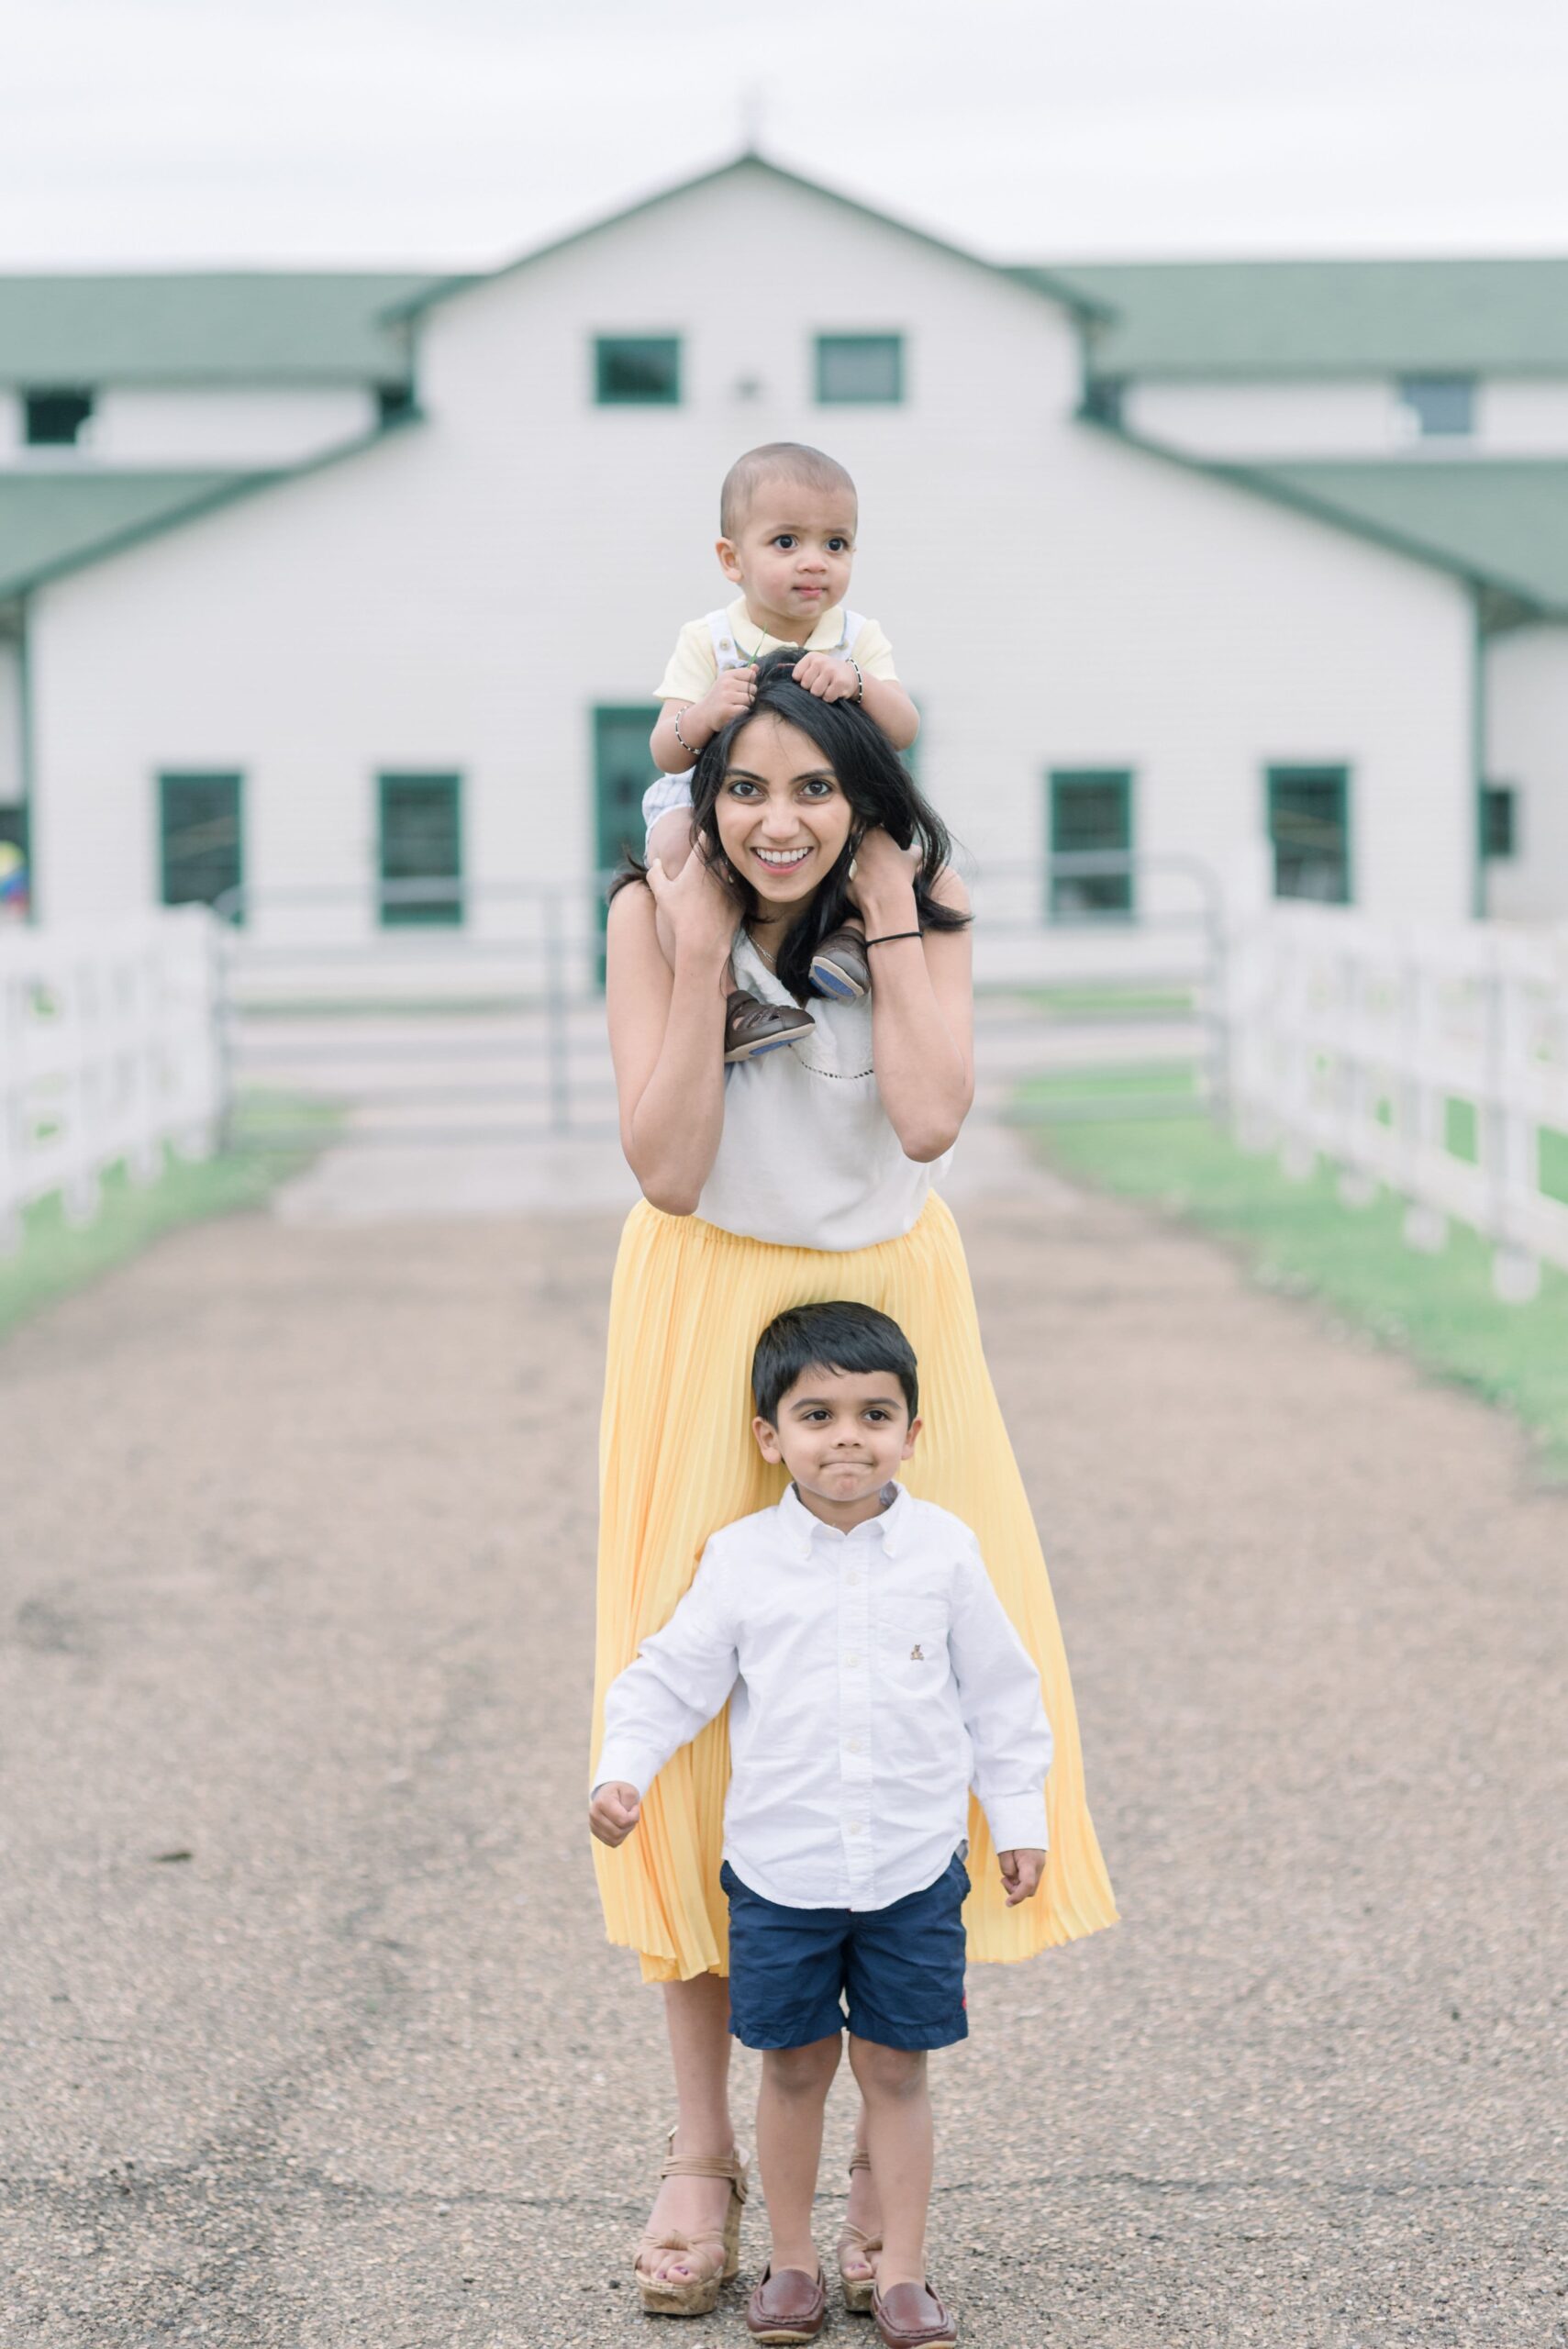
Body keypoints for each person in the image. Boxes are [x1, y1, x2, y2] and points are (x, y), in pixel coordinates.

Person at [595, 649, 1117, 2319]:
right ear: (701, 799)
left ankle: (886, 2158)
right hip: (700, 1322)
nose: (775, 820)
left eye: (812, 786)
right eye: (742, 787)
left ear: (865, 797)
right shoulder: (653, 908)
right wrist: (692, 949)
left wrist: (889, 914)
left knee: (918, 1668)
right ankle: (701, 2151)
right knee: (698, 1709)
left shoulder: (920, 899)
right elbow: (668, 1166)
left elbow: (930, 1114)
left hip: (892, 1313)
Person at [593, 1301, 1052, 2348]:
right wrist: (622, 1771)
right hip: (782, 1872)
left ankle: (902, 2271)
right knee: (793, 2065)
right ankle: (790, 2262)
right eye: (816, 1414)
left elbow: (1000, 1695)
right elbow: (673, 1678)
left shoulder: (942, 1551)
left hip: (909, 1869)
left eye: (873, 1412)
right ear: (770, 1437)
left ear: (912, 1432)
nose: (846, 1434)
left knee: (895, 2067)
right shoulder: (745, 1558)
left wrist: (1017, 1816)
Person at [642, 441, 921, 1064]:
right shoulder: (707, 639)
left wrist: (858, 682)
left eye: (835, 544)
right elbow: (667, 750)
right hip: (716, 798)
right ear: (730, 558)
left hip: (828, 796)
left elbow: (903, 728)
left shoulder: (856, 637)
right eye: (786, 542)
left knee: (891, 846)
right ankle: (726, 1004)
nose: (814, 562)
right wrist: (706, 711)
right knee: (669, 854)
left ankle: (849, 940)